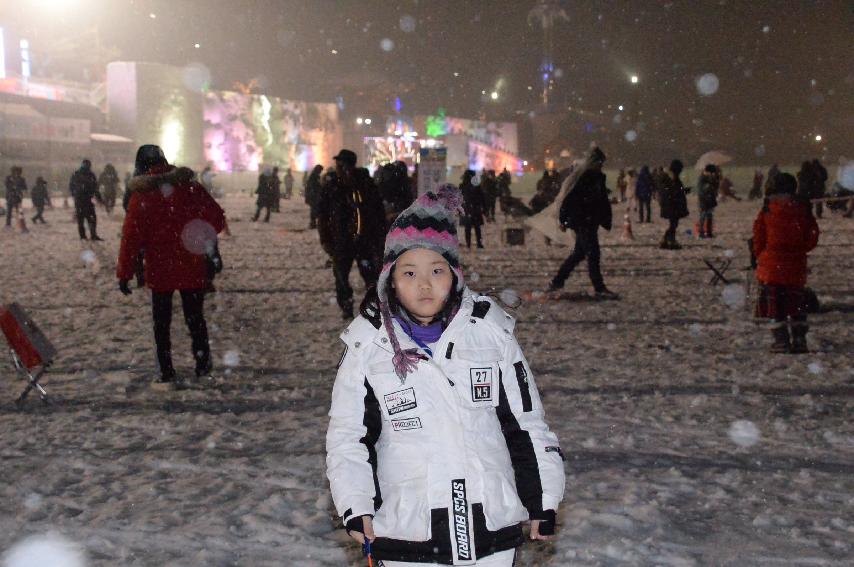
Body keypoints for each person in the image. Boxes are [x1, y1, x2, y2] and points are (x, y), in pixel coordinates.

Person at [326, 184, 565, 566]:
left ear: (454, 274)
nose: (424, 284)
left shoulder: (490, 334)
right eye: (409, 272)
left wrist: (542, 499)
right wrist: (357, 504)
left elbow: (525, 425)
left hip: (490, 523)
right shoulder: (367, 348)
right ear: (390, 279)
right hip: (409, 529)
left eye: (436, 270)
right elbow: (350, 437)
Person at [117, 145, 227, 383]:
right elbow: (217, 219)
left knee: (162, 324)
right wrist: (194, 237)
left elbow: (131, 239)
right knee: (196, 319)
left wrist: (125, 273)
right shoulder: (191, 187)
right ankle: (203, 365)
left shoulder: (141, 196)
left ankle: (166, 370)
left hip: (160, 269)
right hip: (191, 265)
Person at [753, 173, 819, 353]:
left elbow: (758, 237)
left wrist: (762, 256)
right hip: (795, 264)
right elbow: (812, 235)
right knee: (796, 304)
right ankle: (799, 339)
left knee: (776, 308)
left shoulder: (768, 208)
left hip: (772, 265)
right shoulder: (803, 209)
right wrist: (800, 249)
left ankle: (780, 340)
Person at [317, 149, 386, 319]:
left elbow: (378, 213)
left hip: (365, 240)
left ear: (350, 165)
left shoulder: (365, 184)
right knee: (341, 276)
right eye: (338, 164)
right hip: (341, 241)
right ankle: (346, 306)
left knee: (370, 277)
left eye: (342, 164)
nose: (339, 168)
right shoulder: (332, 186)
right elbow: (322, 215)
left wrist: (379, 238)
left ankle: (373, 308)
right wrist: (325, 239)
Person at [548, 147, 616, 297]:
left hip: (589, 220)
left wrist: (605, 218)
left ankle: (557, 281)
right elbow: (571, 199)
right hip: (583, 221)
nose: (601, 165)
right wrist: (563, 219)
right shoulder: (585, 178)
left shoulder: (597, 178)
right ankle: (598, 287)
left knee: (579, 253)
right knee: (593, 253)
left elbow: (601, 200)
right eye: (599, 162)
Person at [658, 159, 689, 250]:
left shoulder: (667, 178)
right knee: (673, 224)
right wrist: (683, 191)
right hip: (673, 205)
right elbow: (674, 191)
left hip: (670, 205)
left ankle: (666, 239)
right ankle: (671, 240)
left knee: (673, 224)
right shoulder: (672, 178)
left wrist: (682, 191)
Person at [69, 159, 103, 240]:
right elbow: (95, 188)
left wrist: (74, 194)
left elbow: (71, 187)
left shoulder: (76, 174)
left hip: (81, 200)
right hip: (86, 199)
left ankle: (84, 236)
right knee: (90, 218)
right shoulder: (89, 175)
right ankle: (91, 235)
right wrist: (99, 199)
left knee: (83, 219)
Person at [460, 169, 486, 249]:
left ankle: (469, 244)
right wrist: (484, 208)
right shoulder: (476, 186)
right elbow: (482, 198)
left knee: (468, 229)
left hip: (467, 209)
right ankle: (478, 243)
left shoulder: (463, 185)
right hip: (475, 209)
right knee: (477, 228)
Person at [696, 164, 719, 238]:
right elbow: (701, 190)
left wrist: (714, 180)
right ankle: (701, 232)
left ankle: (709, 232)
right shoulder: (702, 178)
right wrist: (709, 186)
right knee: (703, 216)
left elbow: (715, 187)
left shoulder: (711, 178)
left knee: (709, 217)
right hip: (703, 201)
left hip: (710, 201)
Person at [304, 164, 323, 229]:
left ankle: (313, 222)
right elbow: (313, 186)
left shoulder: (314, 176)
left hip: (313, 195)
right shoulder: (314, 176)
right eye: (320, 170)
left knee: (314, 209)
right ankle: (313, 223)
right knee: (314, 210)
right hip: (313, 196)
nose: (320, 172)